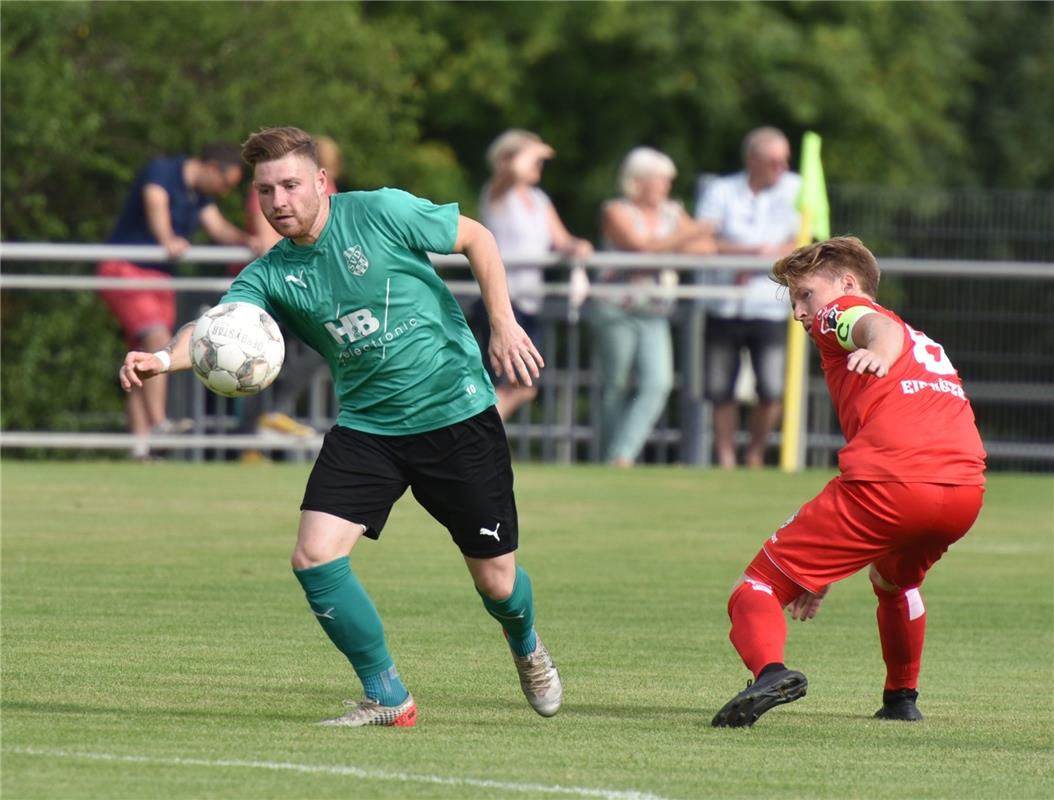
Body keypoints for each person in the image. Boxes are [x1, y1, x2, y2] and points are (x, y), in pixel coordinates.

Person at [118, 126, 562, 727]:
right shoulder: (271, 273)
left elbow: (476, 237)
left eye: (291, 185)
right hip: (368, 429)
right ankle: (389, 698)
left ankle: (527, 644)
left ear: (322, 183)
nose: (278, 202)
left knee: (497, 583)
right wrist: (164, 359)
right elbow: (218, 327)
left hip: (454, 415)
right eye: (265, 190)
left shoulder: (380, 210)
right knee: (314, 556)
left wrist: (503, 324)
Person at [711, 236, 986, 728]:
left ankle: (770, 673)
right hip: (963, 492)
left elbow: (872, 326)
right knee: (894, 580)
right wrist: (824, 568)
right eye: (793, 300)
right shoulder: (925, 343)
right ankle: (901, 699)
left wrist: (877, 350)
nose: (799, 312)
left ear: (847, 284)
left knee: (755, 585)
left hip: (890, 483)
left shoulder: (843, 315)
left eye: (805, 295)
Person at [99, 143, 261, 460]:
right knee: (159, 340)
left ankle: (140, 449)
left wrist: (249, 242)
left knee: (142, 359)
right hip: (126, 269)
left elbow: (219, 228)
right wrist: (167, 239)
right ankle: (160, 424)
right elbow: (155, 204)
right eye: (225, 183)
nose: (225, 191)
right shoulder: (164, 171)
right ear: (212, 167)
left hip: (159, 277)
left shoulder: (200, 196)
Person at [591, 146, 715, 466]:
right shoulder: (615, 210)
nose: (666, 187)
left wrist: (674, 242)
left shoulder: (672, 214)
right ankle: (607, 454)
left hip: (654, 310)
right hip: (614, 307)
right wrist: (684, 235)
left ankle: (621, 455)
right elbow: (638, 247)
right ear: (639, 181)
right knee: (615, 385)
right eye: (660, 180)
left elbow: (706, 247)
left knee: (658, 383)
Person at [695, 127, 801, 469]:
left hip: (768, 304)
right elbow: (703, 239)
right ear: (752, 159)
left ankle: (755, 453)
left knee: (771, 388)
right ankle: (725, 458)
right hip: (723, 301)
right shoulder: (721, 190)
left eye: (785, 161)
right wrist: (752, 253)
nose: (781, 168)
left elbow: (802, 240)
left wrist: (761, 259)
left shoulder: (797, 190)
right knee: (719, 387)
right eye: (773, 161)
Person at [473, 129, 593, 421]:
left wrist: (578, 246)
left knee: (523, 384)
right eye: (533, 158)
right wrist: (534, 149)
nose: (538, 163)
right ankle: (473, 432)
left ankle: (474, 432)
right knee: (510, 383)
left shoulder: (539, 199)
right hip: (500, 300)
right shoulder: (497, 191)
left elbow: (561, 240)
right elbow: (512, 170)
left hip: (529, 302)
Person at [234, 135, 344, 449]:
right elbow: (271, 237)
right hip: (281, 285)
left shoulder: (326, 189)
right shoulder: (273, 184)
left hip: (310, 287)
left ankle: (264, 423)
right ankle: (256, 429)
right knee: (254, 357)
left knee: (310, 345)